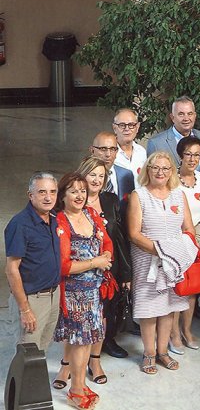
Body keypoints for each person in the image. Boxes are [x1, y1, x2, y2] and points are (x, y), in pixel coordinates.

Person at [127, 151, 196, 375]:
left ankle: (163, 351)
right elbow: (134, 234)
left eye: (166, 168)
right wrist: (161, 250)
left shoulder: (179, 194)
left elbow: (188, 228)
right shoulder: (139, 195)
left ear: (172, 172)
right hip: (147, 259)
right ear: (148, 169)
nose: (160, 172)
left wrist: (180, 252)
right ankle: (148, 353)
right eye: (155, 167)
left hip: (174, 261)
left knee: (168, 307)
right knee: (149, 308)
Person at [52, 172, 115, 409]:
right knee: (81, 340)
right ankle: (77, 389)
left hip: (95, 289)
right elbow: (63, 265)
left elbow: (106, 242)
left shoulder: (91, 215)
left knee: (83, 339)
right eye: (73, 191)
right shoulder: (59, 221)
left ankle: (74, 379)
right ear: (63, 196)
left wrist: (106, 255)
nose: (79, 195)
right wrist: (95, 262)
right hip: (74, 292)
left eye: (82, 190)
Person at [76, 157, 132, 370]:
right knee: (85, 310)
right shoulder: (73, 199)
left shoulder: (110, 199)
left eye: (101, 176)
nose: (97, 180)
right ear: (83, 175)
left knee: (108, 308)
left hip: (110, 266)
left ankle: (107, 341)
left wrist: (126, 273)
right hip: (84, 268)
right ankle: (81, 352)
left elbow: (120, 237)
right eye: (92, 175)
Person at [4, 172, 60, 351]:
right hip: (32, 300)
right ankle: (22, 381)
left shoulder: (53, 219)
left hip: (53, 296)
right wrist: (25, 309)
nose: (48, 197)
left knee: (41, 350)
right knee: (26, 354)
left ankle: (33, 380)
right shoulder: (20, 224)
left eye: (53, 192)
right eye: (42, 192)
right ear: (31, 195)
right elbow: (11, 270)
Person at [170, 136, 200, 352]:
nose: (192, 158)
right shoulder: (171, 180)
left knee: (193, 288)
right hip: (178, 241)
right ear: (180, 155)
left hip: (198, 242)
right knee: (179, 287)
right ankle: (174, 333)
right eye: (188, 154)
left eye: (196, 154)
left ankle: (187, 329)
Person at [146, 96, 200, 176]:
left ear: (195, 116)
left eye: (190, 114)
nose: (186, 118)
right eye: (181, 114)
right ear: (172, 117)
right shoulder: (156, 143)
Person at [90, 132, 135, 201]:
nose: (108, 154)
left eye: (112, 149)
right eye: (103, 149)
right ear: (92, 150)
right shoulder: (82, 176)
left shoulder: (127, 175)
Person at [112, 108, 147, 188]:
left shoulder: (141, 152)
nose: (127, 129)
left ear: (137, 127)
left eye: (131, 125)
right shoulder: (108, 153)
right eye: (122, 125)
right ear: (114, 128)